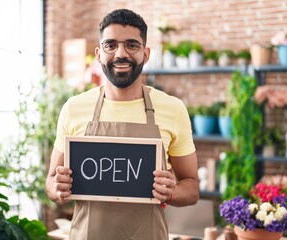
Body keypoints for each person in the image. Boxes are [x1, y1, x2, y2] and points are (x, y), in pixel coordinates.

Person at [46, 8, 199, 240]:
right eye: (111, 45)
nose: (121, 54)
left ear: (146, 54)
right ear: (99, 54)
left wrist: (173, 192)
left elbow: (192, 188)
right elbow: (50, 182)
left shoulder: (173, 109)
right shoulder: (73, 108)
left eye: (132, 45)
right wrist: (57, 188)